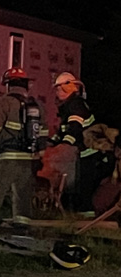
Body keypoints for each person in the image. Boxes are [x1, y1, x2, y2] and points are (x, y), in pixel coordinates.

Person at [0, 67, 47, 228]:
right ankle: (22, 224)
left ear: (8, 85)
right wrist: (40, 151)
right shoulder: (36, 105)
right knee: (23, 193)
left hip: (8, 157)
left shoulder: (6, 102)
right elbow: (44, 131)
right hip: (27, 158)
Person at [49, 72, 113, 217]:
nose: (57, 92)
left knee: (85, 186)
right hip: (86, 153)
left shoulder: (76, 105)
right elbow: (63, 130)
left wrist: (64, 144)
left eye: (59, 88)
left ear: (68, 88)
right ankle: (83, 214)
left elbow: (75, 128)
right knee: (82, 185)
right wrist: (52, 142)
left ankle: (87, 218)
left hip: (91, 153)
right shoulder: (69, 106)